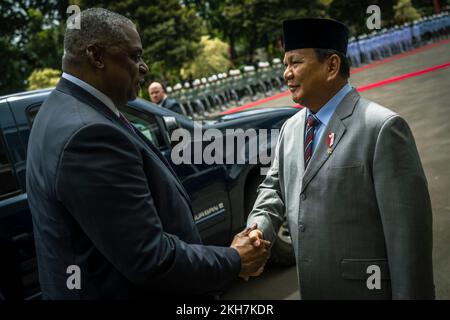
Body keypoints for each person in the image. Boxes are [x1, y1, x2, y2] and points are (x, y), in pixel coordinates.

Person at [26, 8, 269, 299]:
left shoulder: (59, 110)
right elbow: (149, 258)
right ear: (96, 56)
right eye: (134, 55)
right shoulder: (88, 135)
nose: (144, 67)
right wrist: (234, 259)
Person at [247, 18, 434, 299]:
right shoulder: (291, 128)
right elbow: (273, 189)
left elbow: (409, 244)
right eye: (284, 64)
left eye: (295, 62)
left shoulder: (381, 128)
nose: (286, 74)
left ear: (332, 66)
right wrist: (258, 230)